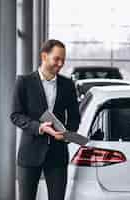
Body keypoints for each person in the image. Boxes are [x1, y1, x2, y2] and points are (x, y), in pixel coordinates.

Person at [10, 39, 80, 200]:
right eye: (57, 58)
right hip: (30, 153)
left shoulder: (68, 85)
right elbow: (16, 115)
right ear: (44, 56)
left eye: (63, 59)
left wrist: (67, 134)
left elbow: (75, 117)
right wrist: (39, 127)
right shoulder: (24, 82)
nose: (61, 63)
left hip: (57, 154)